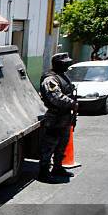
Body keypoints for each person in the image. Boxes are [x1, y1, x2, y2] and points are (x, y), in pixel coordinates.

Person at [38, 52, 78, 183]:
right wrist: (72, 103)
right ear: (59, 64)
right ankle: (44, 173)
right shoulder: (50, 79)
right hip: (54, 118)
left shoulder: (62, 76)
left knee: (62, 144)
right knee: (49, 146)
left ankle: (57, 167)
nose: (68, 65)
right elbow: (55, 97)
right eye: (66, 63)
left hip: (64, 117)